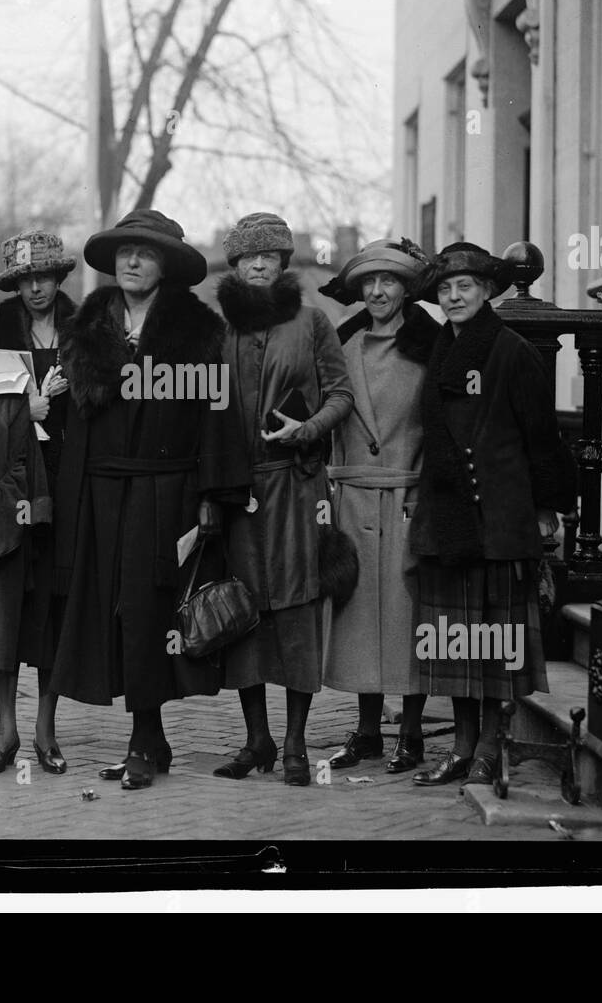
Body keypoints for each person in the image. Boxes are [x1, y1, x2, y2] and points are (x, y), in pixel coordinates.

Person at [50, 209, 250, 791]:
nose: (133, 261)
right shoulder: (88, 327)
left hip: (165, 491)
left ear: (166, 266)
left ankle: (142, 741)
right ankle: (151, 736)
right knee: (111, 613)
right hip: (101, 489)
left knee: (147, 614)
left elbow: (218, 414)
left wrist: (213, 497)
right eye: (124, 252)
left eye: (146, 252)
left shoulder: (196, 329)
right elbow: (79, 427)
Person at [407, 242, 577, 788]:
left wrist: (547, 505)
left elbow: (542, 437)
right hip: (448, 516)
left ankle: (488, 749)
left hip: (499, 517)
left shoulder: (512, 352)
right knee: (454, 637)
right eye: (445, 289)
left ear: (486, 292)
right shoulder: (439, 349)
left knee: (497, 641)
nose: (454, 296)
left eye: (465, 287)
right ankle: (459, 746)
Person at [214, 212, 354, 786]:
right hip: (238, 491)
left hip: (297, 487)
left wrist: (308, 429)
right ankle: (257, 741)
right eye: (247, 258)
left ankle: (295, 743)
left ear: (284, 262)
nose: (257, 265)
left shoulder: (313, 323)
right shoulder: (219, 329)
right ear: (235, 266)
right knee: (244, 612)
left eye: (268, 256)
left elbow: (341, 395)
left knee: (297, 609)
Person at [0, 230, 77, 776]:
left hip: (66, 488)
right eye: (27, 279)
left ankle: (46, 729)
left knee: (52, 605)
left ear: (59, 278)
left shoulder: (83, 334)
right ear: (15, 285)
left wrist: (77, 396)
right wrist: (26, 409)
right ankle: (6, 731)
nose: (37, 288)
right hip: (9, 493)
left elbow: (109, 406)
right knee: (5, 607)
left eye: (45, 276)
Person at [317, 239, 440, 775]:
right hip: (352, 497)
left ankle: (410, 734)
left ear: (408, 288)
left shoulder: (435, 346)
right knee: (359, 619)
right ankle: (367, 731)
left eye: (388, 280)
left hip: (410, 495)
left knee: (408, 617)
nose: (377, 291)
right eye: (367, 282)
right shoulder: (339, 345)